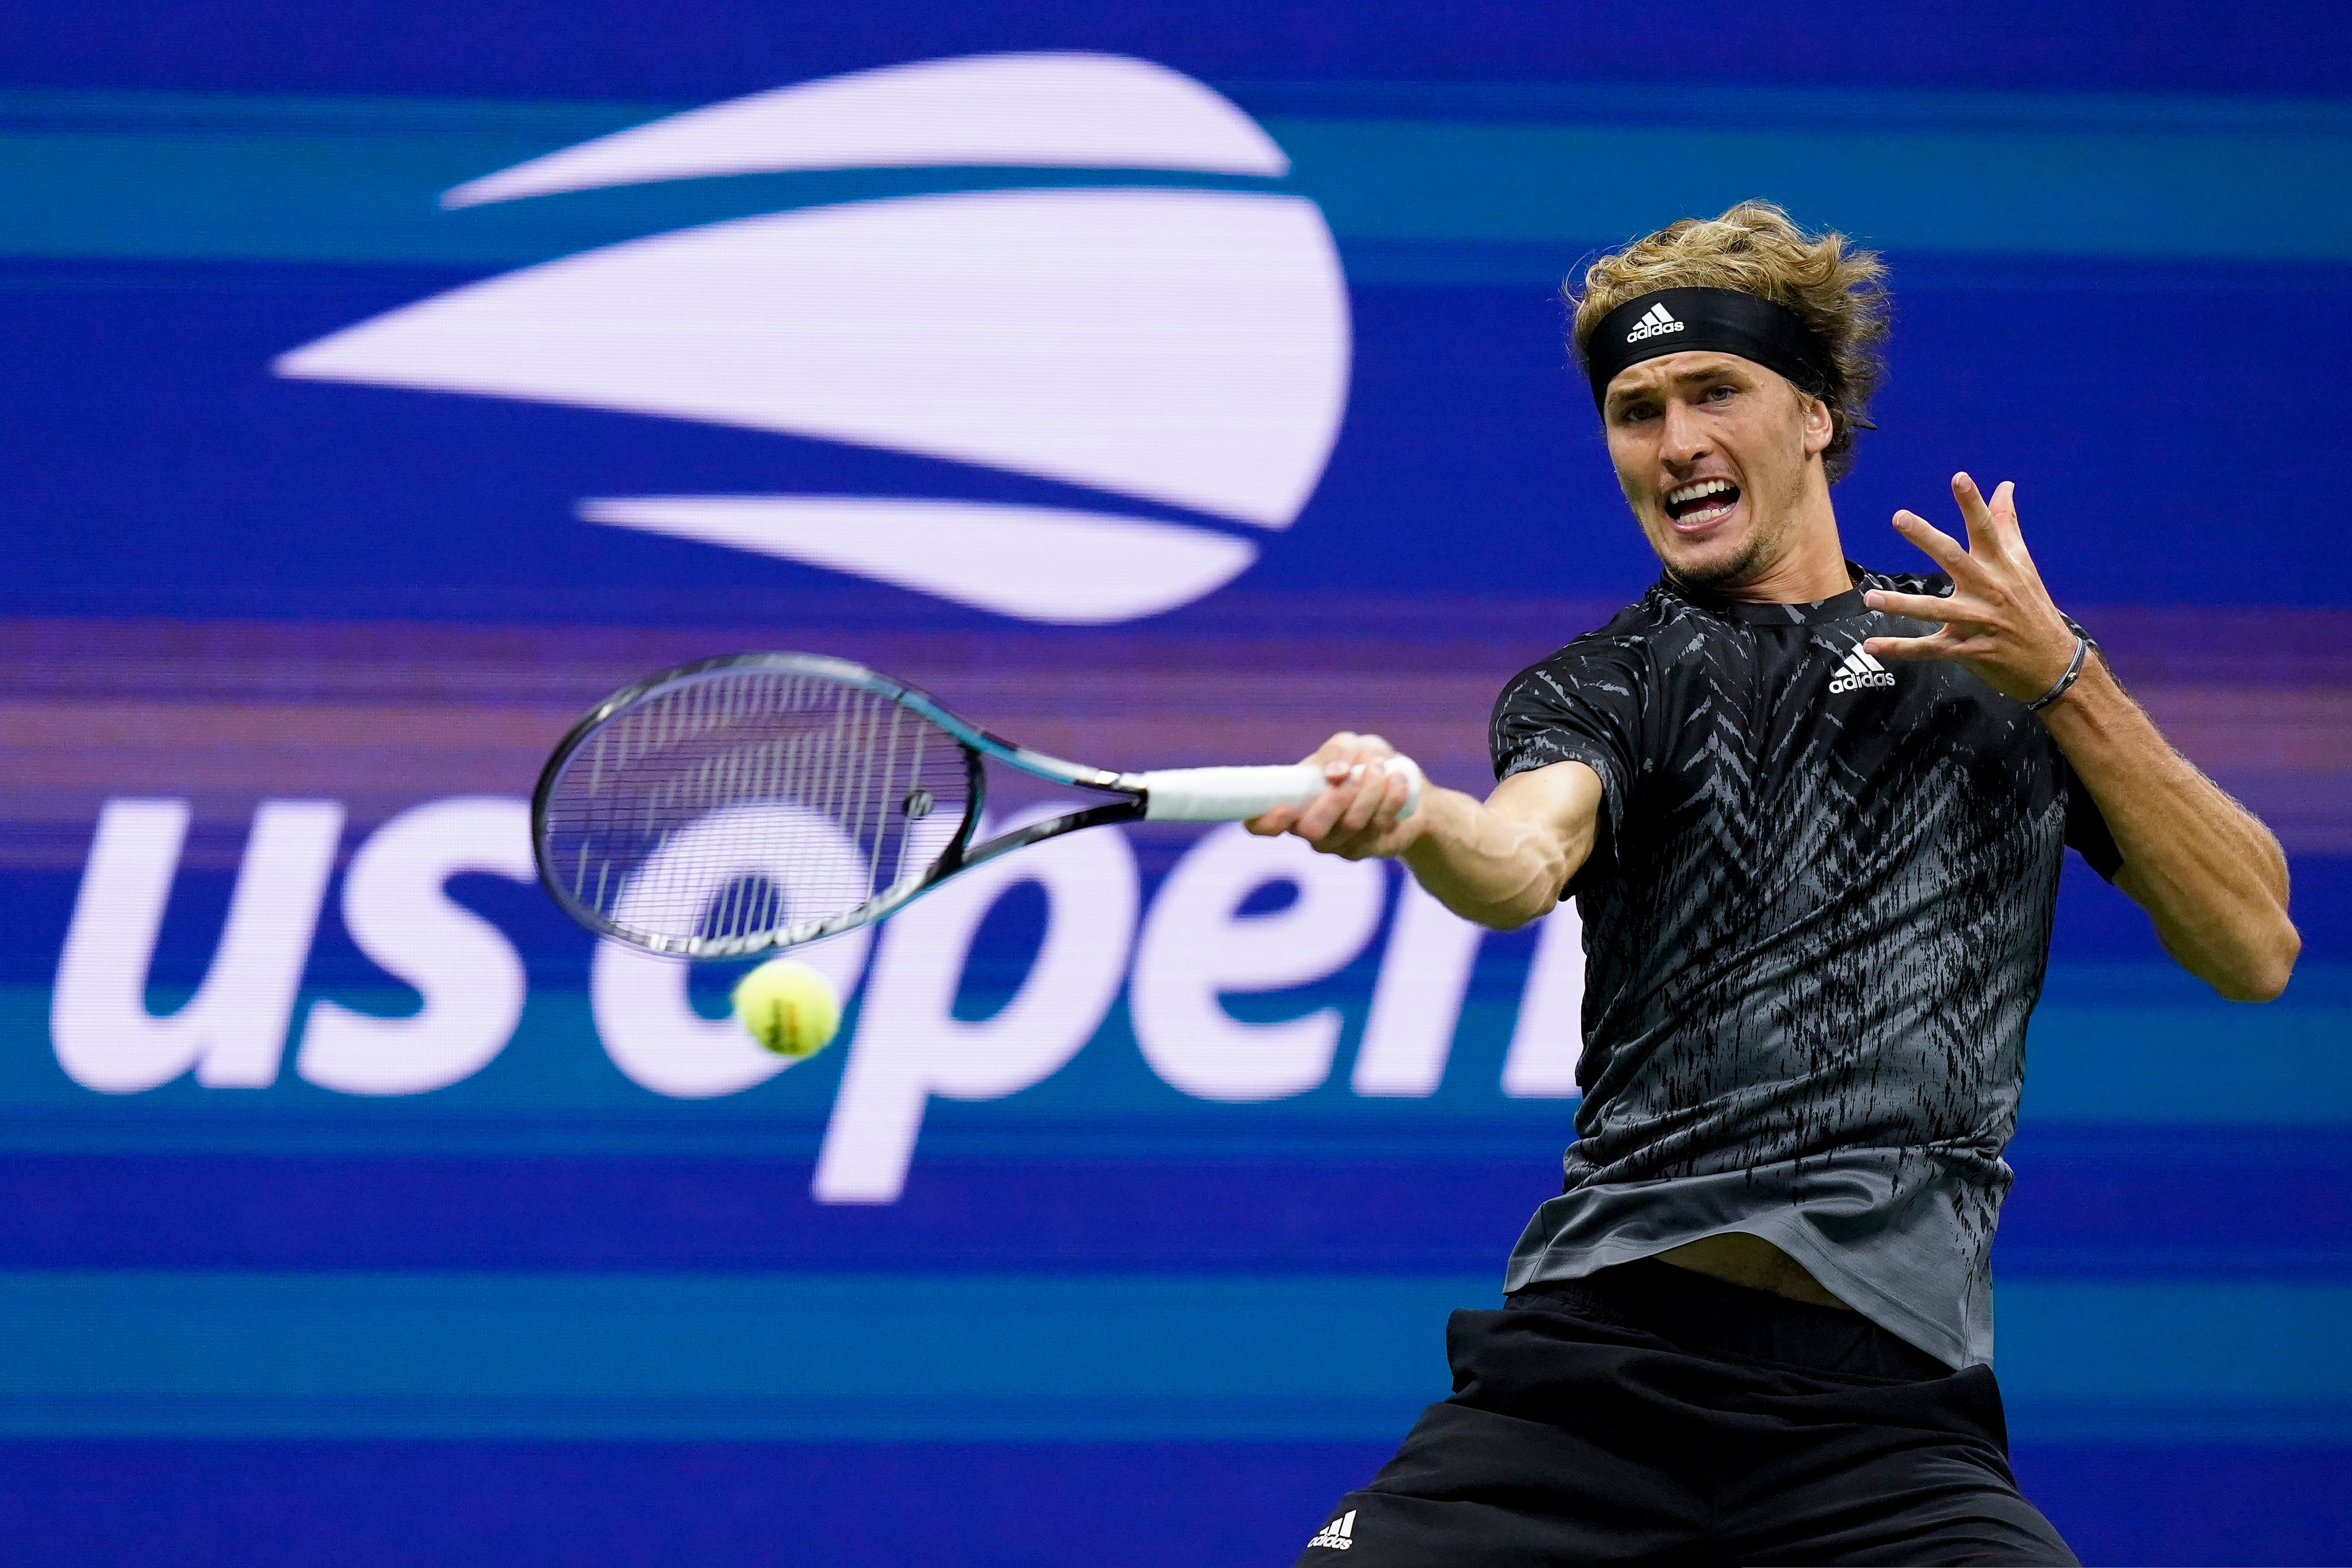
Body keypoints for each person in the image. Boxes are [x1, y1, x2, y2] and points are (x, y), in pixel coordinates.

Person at [1256, 202, 2300, 1567]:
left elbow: (2254, 946)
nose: (1677, 441)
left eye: (1715, 392)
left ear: (1814, 416)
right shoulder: (1607, 685)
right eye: (1636, 411)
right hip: (1589, 1389)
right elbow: (1521, 860)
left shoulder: (1993, 666)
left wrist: (2065, 681)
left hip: (1886, 1426)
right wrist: (1416, 817)